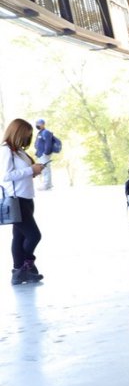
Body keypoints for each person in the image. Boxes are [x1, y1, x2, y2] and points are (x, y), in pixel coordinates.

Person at [3, 119, 45, 284]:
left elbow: (22, 173)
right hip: (16, 199)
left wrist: (33, 171)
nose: (27, 138)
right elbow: (5, 176)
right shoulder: (5, 150)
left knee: (19, 237)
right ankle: (26, 266)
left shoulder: (19, 151)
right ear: (17, 132)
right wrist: (30, 170)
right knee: (34, 236)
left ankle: (18, 271)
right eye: (26, 135)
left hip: (27, 198)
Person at [33, 119, 57, 190]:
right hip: (40, 154)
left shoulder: (46, 132)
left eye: (39, 124)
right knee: (44, 169)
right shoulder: (40, 133)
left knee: (45, 169)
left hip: (44, 154)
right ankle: (48, 184)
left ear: (43, 124)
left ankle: (46, 185)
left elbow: (48, 144)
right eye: (36, 124)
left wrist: (46, 153)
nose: (37, 125)